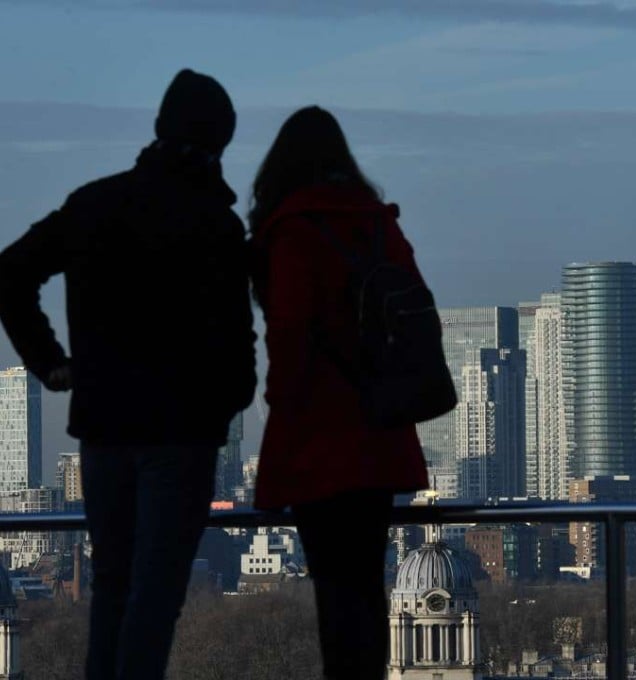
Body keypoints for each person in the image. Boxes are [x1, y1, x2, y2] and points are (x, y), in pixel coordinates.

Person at [0, 69, 256, 679]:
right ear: (220, 142)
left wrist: (51, 363)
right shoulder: (215, 225)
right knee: (155, 595)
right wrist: (222, 407)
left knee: (112, 589)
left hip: (106, 429)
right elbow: (238, 345)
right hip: (182, 435)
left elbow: (11, 274)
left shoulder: (97, 204)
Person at [249, 106, 429, 680]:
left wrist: (281, 407)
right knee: (365, 588)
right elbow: (419, 316)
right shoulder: (380, 224)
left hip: (318, 440)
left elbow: (290, 336)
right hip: (380, 431)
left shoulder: (292, 232)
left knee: (333, 591)